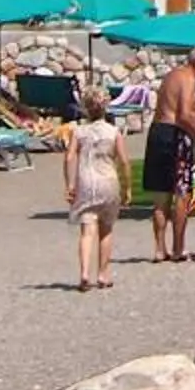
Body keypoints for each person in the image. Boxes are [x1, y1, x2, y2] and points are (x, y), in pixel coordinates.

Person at [144, 47, 195, 263]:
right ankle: (178, 248)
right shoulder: (189, 78)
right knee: (181, 193)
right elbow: (184, 115)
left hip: (157, 132)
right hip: (174, 134)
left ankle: (159, 249)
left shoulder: (171, 75)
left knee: (161, 196)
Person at [62, 89, 127, 292]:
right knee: (106, 229)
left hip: (87, 181)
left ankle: (84, 273)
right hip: (108, 180)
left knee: (87, 230)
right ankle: (103, 273)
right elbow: (124, 161)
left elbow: (69, 157)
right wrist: (127, 187)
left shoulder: (79, 132)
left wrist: (69, 184)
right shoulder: (113, 132)